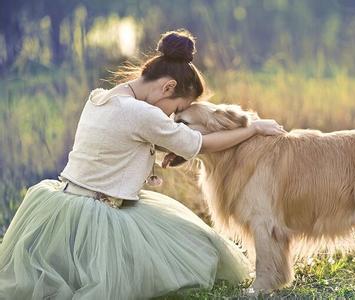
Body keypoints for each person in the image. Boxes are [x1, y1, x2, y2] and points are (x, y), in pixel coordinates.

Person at [0, 29, 285, 299]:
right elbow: (200, 144)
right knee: (200, 253)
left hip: (64, 201)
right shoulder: (141, 114)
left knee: (190, 241)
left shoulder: (105, 97)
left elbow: (123, 143)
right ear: (168, 87)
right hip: (99, 215)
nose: (172, 118)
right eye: (176, 110)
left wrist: (165, 151)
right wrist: (253, 128)